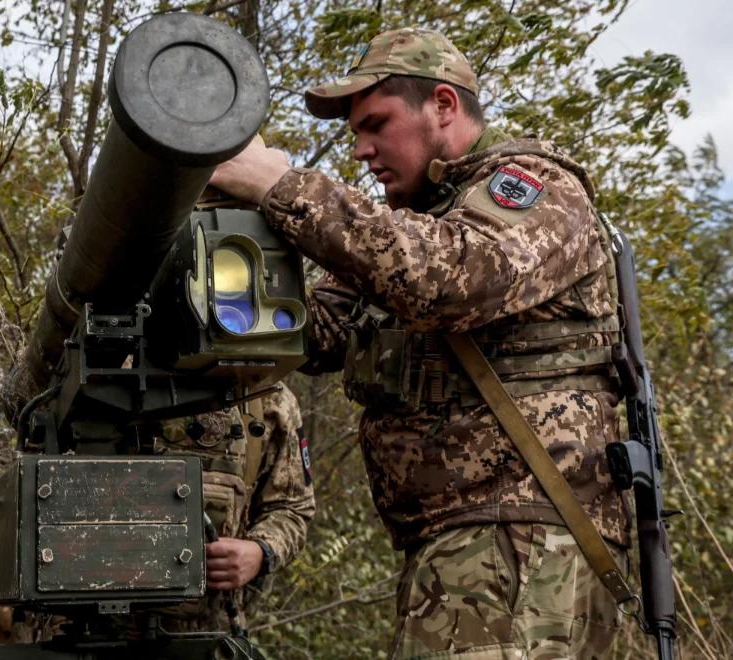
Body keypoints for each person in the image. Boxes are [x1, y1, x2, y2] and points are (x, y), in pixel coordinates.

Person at [210, 28, 631, 659]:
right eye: (357, 132)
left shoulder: (534, 187)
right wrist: (226, 220)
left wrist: (284, 186)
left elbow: (452, 279)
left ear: (442, 105)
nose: (361, 150)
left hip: (525, 544)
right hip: (462, 550)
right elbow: (314, 334)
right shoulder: (411, 230)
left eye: (376, 124)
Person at [1, 361, 315, 638]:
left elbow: (292, 507)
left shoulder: (266, 396)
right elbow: (18, 402)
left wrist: (260, 551)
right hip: (73, 626)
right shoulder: (93, 363)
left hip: (201, 631)